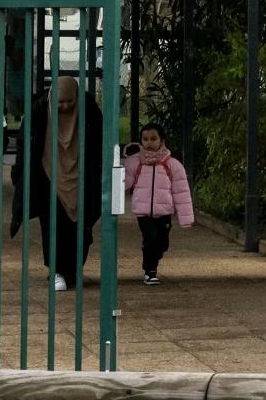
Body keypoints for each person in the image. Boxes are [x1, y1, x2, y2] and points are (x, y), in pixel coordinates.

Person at [13, 73, 107, 291]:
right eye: (60, 102)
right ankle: (56, 270)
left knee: (80, 227)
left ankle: (72, 269)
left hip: (81, 179)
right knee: (53, 226)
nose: (64, 107)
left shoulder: (89, 111)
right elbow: (25, 144)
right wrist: (20, 175)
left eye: (69, 102)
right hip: (48, 177)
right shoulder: (38, 111)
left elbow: (99, 141)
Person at [123, 122, 195, 287]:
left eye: (153, 139)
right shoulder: (135, 163)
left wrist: (186, 218)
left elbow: (181, 192)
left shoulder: (172, 165)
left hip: (164, 212)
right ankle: (150, 271)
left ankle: (152, 256)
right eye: (145, 139)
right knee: (151, 238)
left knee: (162, 243)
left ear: (161, 141)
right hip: (143, 212)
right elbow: (124, 182)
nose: (149, 143)